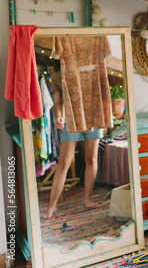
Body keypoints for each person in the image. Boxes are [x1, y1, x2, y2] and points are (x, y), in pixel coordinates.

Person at [43, 71, 103, 219]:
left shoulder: (89, 67)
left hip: (93, 115)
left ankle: (87, 199)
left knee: (91, 158)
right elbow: (57, 102)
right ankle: (52, 206)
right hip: (70, 119)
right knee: (64, 162)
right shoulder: (57, 76)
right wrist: (58, 116)